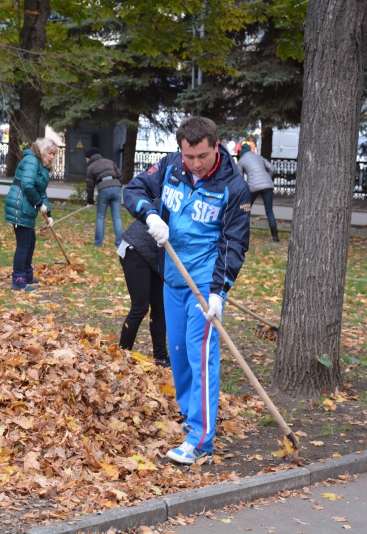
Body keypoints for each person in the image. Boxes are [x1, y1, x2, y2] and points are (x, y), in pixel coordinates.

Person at [123, 116, 250, 465]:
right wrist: (150, 215)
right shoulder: (171, 166)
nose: (195, 164)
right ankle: (189, 416)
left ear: (216, 146)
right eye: (189, 156)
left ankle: (200, 440)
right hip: (173, 278)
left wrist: (218, 292)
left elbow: (234, 243)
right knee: (177, 355)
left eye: (202, 156)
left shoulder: (233, 186)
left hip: (204, 284)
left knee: (200, 356)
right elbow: (132, 190)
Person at [4, 137, 57, 291]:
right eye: (50, 153)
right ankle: (19, 281)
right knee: (23, 244)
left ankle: (27, 275)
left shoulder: (41, 166)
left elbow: (41, 191)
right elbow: (27, 185)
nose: (51, 157)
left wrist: (49, 214)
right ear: (43, 150)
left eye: (54, 154)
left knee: (30, 242)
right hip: (19, 205)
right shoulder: (32, 161)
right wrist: (39, 204)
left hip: (26, 207)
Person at [117, 219, 168, 367]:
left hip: (155, 255)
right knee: (140, 307)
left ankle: (160, 358)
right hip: (135, 249)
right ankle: (121, 357)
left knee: (160, 307)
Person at [237, 143, 279, 242]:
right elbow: (272, 168)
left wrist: (244, 188)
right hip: (268, 185)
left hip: (253, 187)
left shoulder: (242, 160)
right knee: (269, 211)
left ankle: (243, 233)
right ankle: (275, 236)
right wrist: (267, 178)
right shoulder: (259, 157)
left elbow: (240, 177)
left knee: (246, 208)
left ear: (242, 152)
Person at [84, 147, 123, 247]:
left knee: (101, 217)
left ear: (89, 157)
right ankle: (119, 243)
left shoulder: (91, 167)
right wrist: (117, 186)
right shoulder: (110, 162)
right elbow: (120, 176)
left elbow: (90, 186)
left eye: (86, 159)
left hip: (103, 189)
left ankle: (98, 243)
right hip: (117, 188)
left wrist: (90, 201)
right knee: (117, 217)